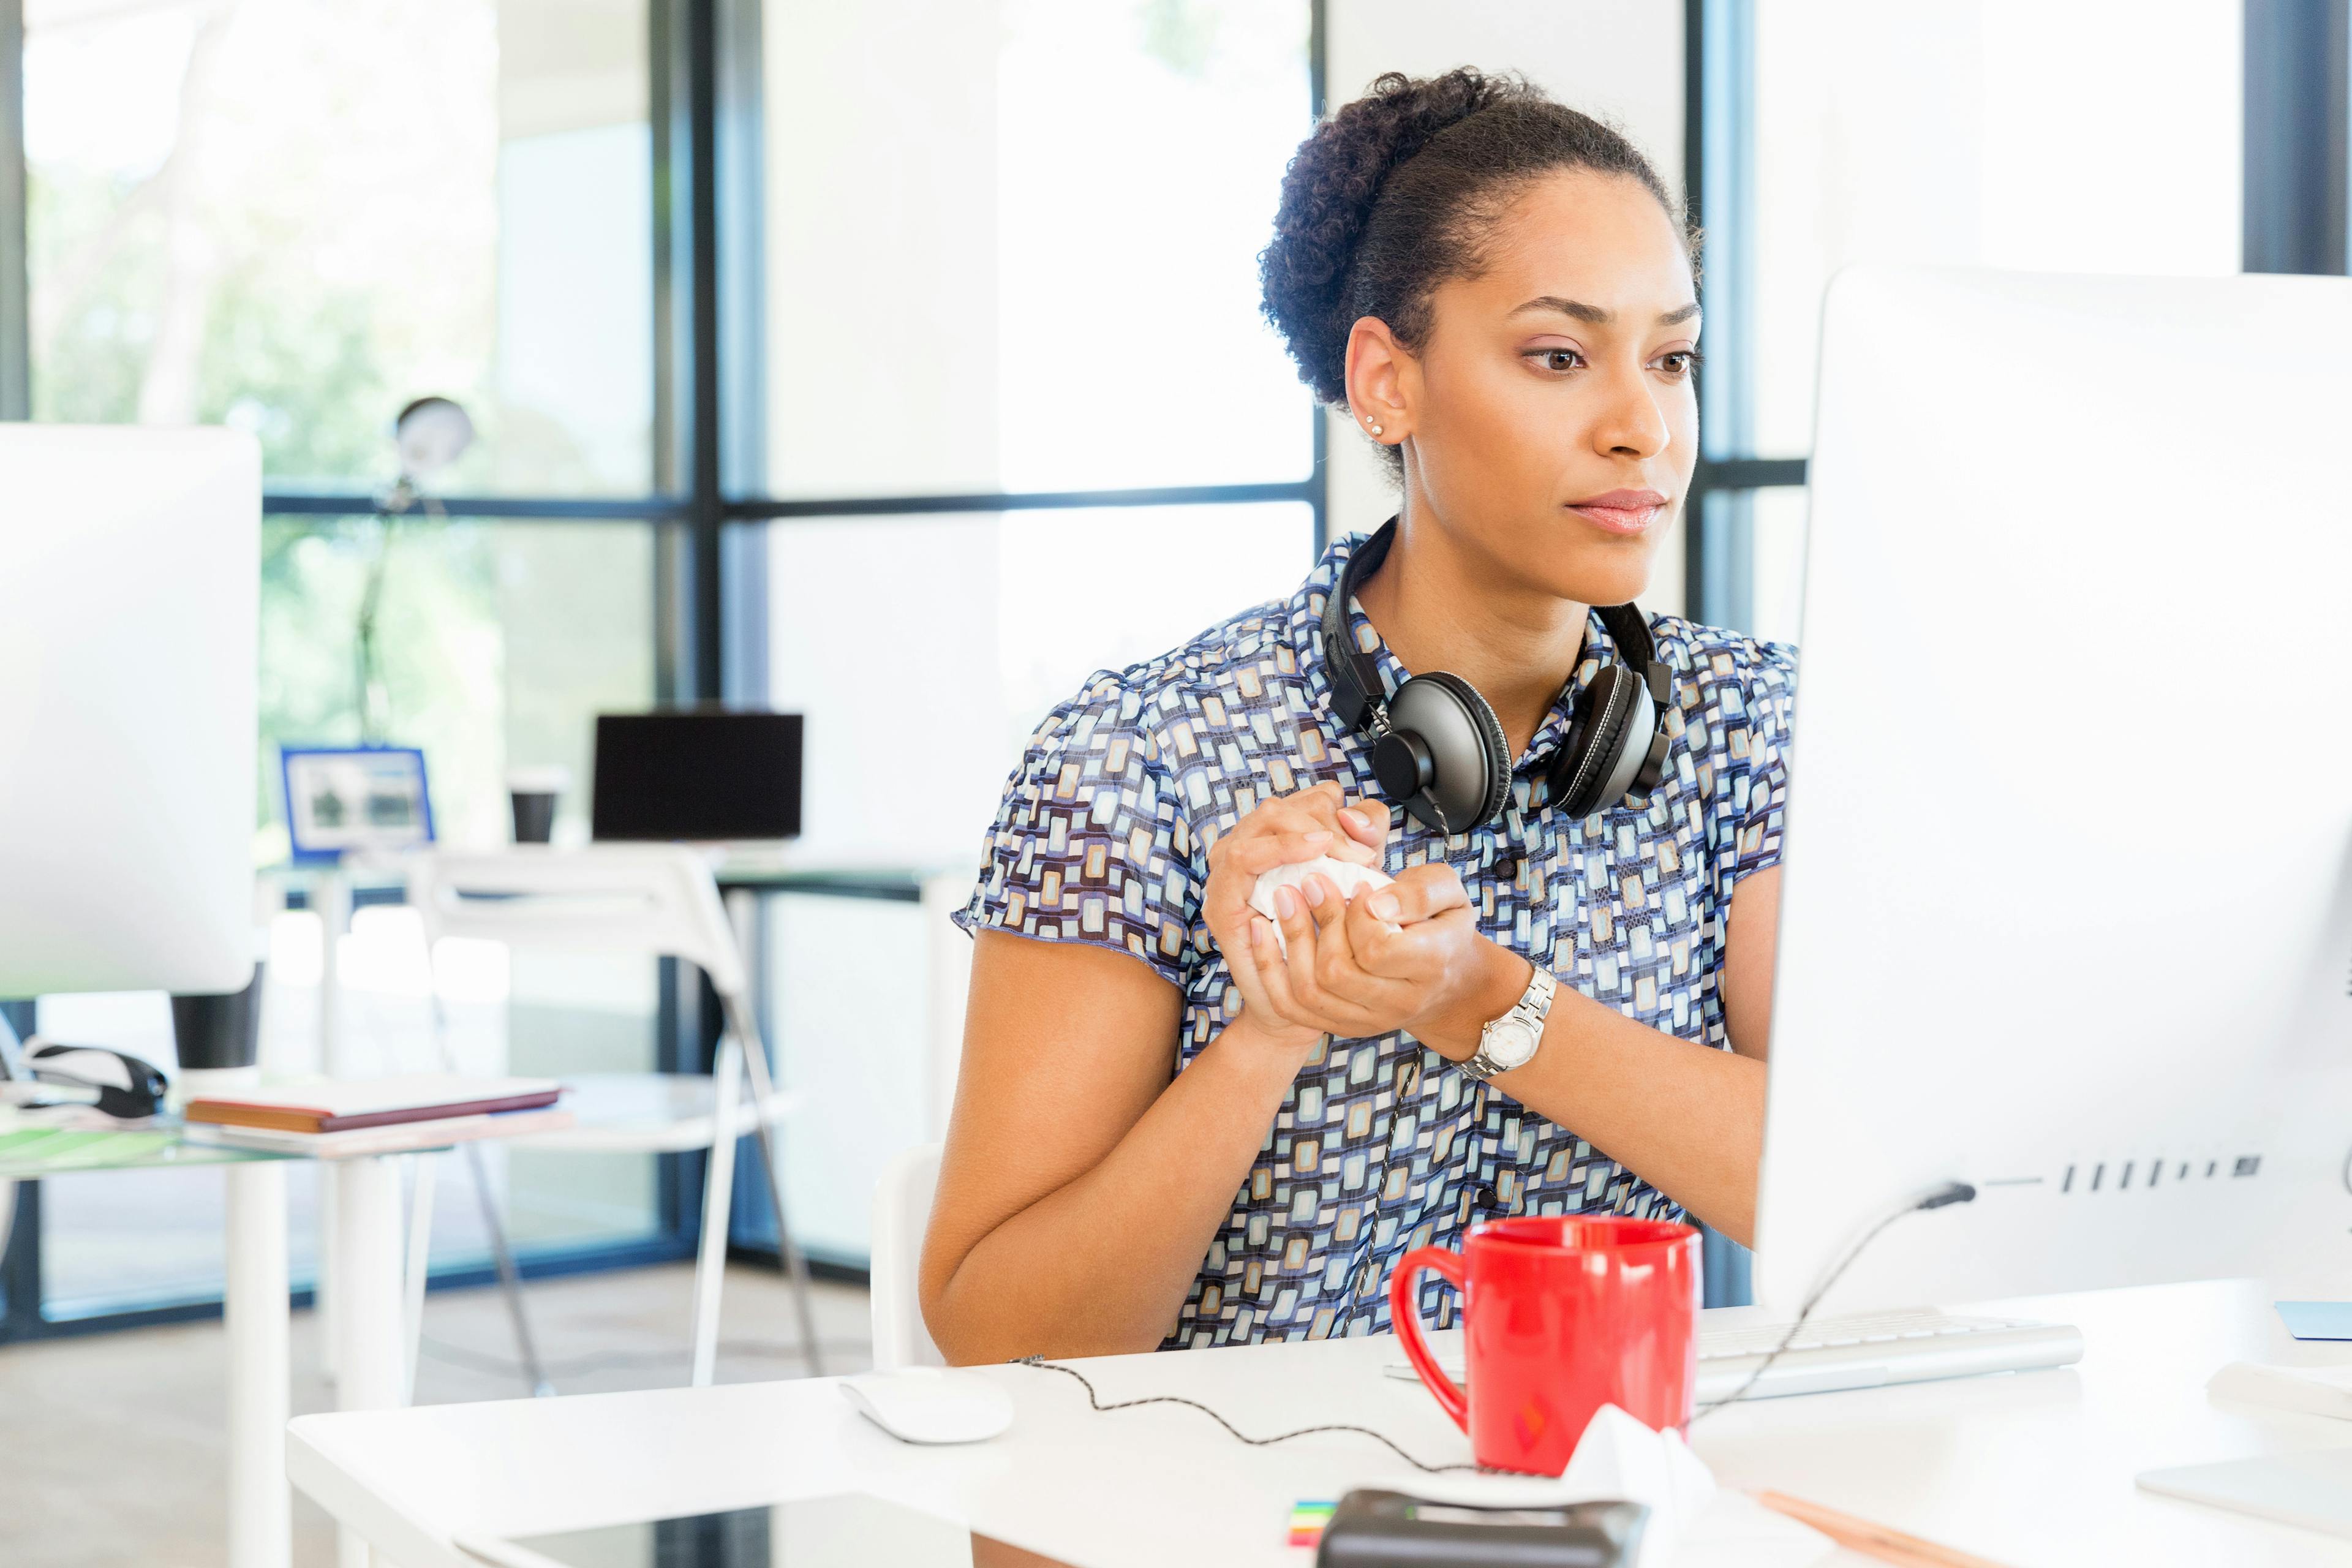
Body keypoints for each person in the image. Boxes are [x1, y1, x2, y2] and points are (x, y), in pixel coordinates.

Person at [922, 68, 1792, 1363]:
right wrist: (1270, 1030)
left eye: (1672, 357)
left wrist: (1487, 998)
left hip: (1605, 1502)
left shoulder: (1751, 727)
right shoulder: (1138, 761)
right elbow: (1000, 1338)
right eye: (1560, 355)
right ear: (1387, 379)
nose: (1643, 426)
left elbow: (1848, 1207)